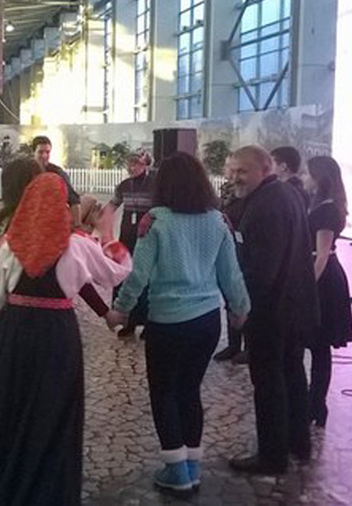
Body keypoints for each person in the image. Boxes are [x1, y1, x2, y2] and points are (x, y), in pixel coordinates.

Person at [0, 173, 130, 506]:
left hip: (13, 333)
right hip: (56, 334)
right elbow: (117, 271)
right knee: (54, 410)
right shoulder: (77, 245)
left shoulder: (10, 244)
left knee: (12, 406)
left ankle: (6, 486)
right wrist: (106, 233)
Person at [107, 153, 251, 496]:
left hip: (168, 322)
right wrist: (240, 309)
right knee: (189, 390)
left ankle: (176, 472)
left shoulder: (156, 221)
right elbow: (231, 274)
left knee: (164, 393)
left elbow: (138, 274)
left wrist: (121, 310)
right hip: (207, 322)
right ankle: (192, 467)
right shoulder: (218, 221)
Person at [227, 145, 319, 475]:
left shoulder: (265, 206)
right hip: (294, 306)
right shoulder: (286, 194)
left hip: (271, 311)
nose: (235, 177)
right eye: (233, 170)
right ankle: (298, 442)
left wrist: (242, 307)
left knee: (268, 382)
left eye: (243, 171)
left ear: (265, 169)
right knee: (292, 373)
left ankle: (272, 455)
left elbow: (261, 270)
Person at [305, 156, 352, 428]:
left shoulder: (326, 210)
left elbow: (322, 254)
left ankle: (316, 404)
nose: (305, 177)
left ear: (319, 177)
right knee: (318, 346)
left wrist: (307, 286)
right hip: (324, 274)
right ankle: (314, 404)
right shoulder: (325, 205)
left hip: (323, 279)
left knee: (320, 346)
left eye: (309, 173)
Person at [107, 150, 156, 337]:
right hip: (127, 236)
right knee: (124, 276)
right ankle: (128, 321)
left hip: (146, 237)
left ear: (144, 165)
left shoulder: (153, 184)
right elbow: (112, 206)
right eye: (129, 164)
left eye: (136, 164)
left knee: (145, 279)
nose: (131, 168)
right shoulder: (124, 185)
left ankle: (149, 322)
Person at [214, 154, 249, 364]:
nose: (229, 171)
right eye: (228, 167)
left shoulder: (247, 193)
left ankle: (249, 346)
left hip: (244, 247)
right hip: (229, 247)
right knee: (230, 296)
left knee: (244, 296)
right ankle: (233, 344)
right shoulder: (227, 190)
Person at [31, 135, 80, 224]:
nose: (44, 156)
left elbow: (73, 200)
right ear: (33, 153)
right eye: (40, 152)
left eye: (47, 152)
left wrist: (78, 225)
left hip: (53, 217)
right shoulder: (25, 172)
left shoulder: (58, 172)